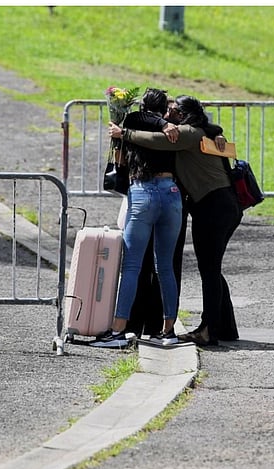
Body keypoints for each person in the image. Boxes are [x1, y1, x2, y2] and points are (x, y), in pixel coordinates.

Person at [110, 95, 241, 346]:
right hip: (218, 205)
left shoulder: (188, 133)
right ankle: (222, 327)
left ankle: (210, 330)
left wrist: (123, 134)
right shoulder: (200, 129)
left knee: (209, 269)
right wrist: (218, 131)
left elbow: (157, 140)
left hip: (214, 206)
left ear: (182, 115)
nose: (168, 114)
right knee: (210, 267)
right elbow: (209, 127)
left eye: (173, 110)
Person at [93, 88, 183, 348]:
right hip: (171, 193)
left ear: (142, 106)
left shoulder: (132, 121)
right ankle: (168, 331)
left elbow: (140, 120)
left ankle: (118, 331)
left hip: (143, 192)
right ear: (162, 108)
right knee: (164, 267)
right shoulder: (173, 128)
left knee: (131, 266)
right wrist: (166, 122)